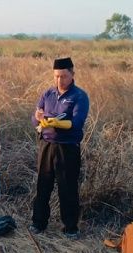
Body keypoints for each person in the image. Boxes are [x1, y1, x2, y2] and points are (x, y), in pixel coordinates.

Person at [29, 57, 90, 240]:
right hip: (46, 145)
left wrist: (58, 123)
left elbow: (77, 123)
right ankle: (38, 223)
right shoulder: (47, 94)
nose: (59, 80)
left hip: (67, 148)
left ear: (72, 75)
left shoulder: (79, 96)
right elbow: (34, 119)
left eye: (63, 76)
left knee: (67, 187)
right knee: (43, 185)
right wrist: (38, 117)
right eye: (56, 76)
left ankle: (70, 227)